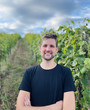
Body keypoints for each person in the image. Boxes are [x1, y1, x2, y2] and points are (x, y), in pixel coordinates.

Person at [16, 33, 76, 110]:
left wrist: (31, 108)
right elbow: (19, 108)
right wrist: (54, 107)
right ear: (40, 48)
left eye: (51, 46)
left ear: (56, 50)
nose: (48, 49)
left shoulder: (65, 72)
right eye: (45, 46)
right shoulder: (29, 73)